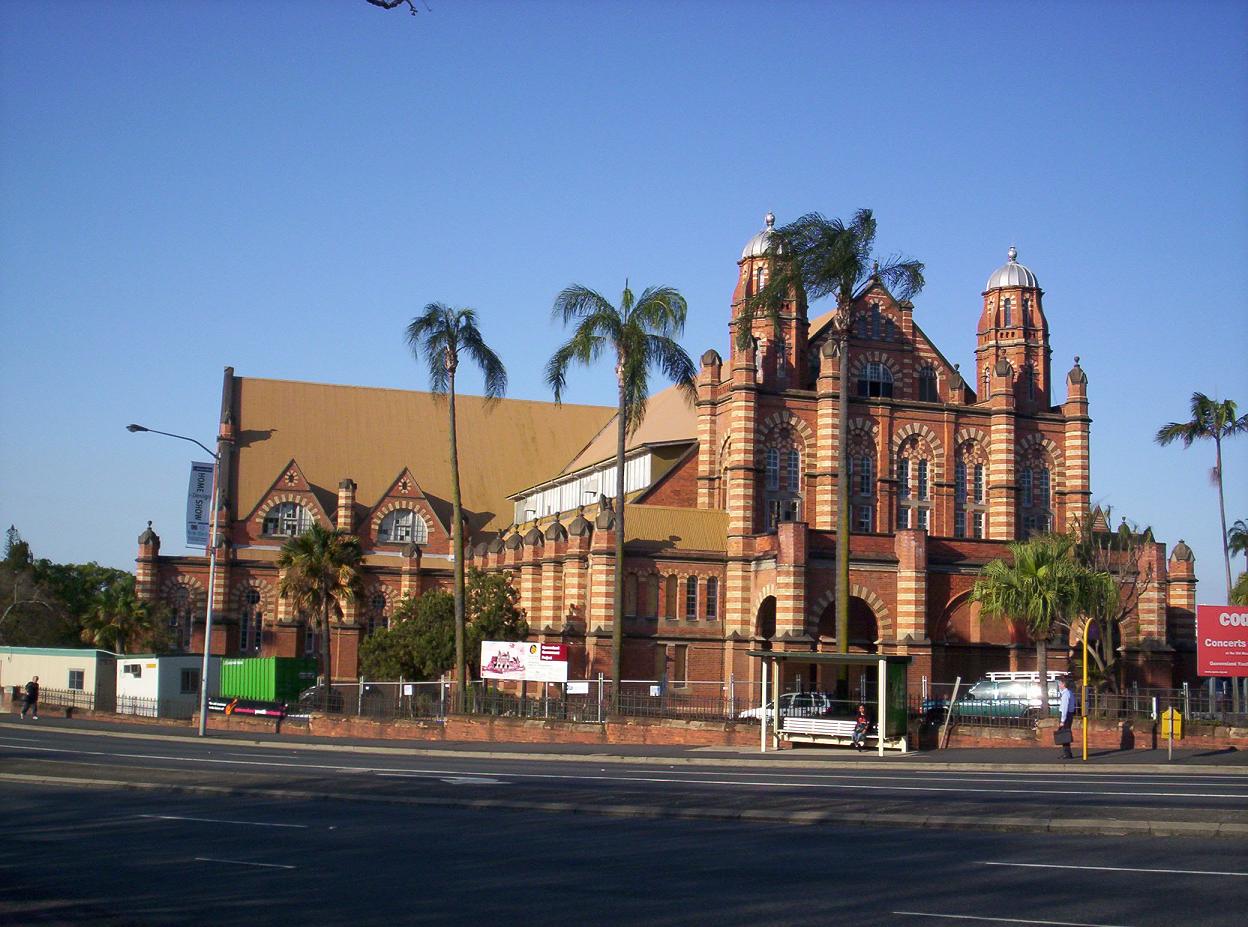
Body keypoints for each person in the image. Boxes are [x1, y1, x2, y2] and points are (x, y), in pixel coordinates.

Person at [1056, 676, 1076, 759]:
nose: (1059, 685)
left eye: (1060, 683)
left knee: (1064, 735)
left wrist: (1062, 720)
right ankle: (1068, 753)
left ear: (1063, 684)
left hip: (1066, 716)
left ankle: (1067, 754)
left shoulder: (1065, 694)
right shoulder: (1069, 693)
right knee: (1065, 734)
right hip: (1069, 715)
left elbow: (1064, 708)